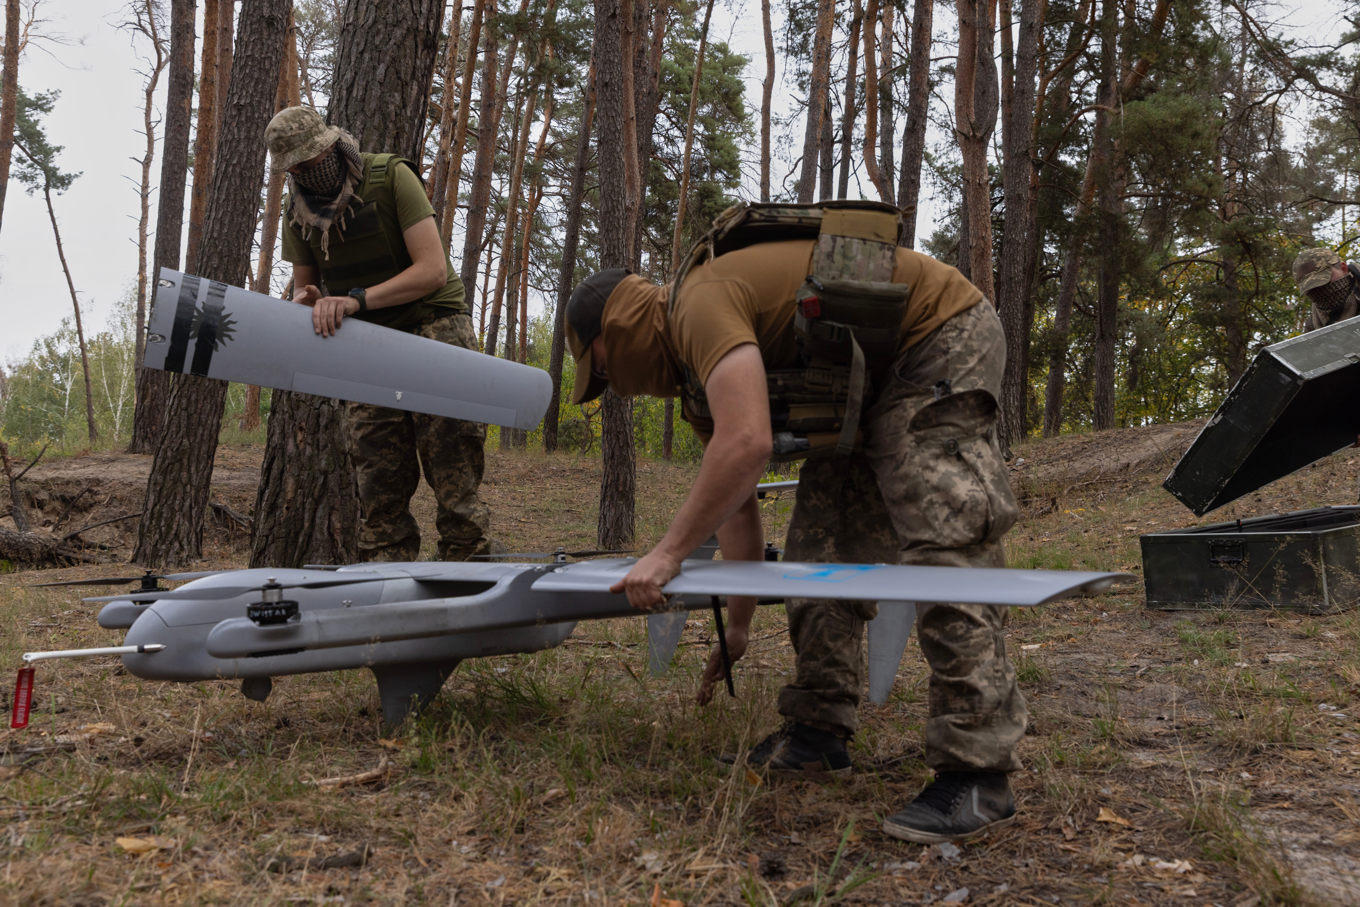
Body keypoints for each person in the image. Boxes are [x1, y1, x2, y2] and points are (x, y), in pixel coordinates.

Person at [565, 232, 1024, 844]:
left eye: (602, 370)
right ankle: (817, 730)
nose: (617, 387)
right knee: (821, 547)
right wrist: (737, 625)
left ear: (616, 328)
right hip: (868, 380)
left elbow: (747, 442)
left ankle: (979, 773)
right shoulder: (696, 381)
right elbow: (736, 503)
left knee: (945, 532)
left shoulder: (696, 305)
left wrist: (669, 552)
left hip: (936, 334)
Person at [264, 106, 492, 562]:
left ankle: (469, 559)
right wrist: (308, 301)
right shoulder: (300, 213)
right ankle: (386, 568)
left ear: (332, 147)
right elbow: (306, 289)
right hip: (367, 340)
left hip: (433, 324)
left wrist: (354, 300)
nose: (306, 175)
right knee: (377, 471)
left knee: (452, 460)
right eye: (295, 169)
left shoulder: (390, 178)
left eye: (312, 162)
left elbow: (432, 270)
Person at [1292, 247, 1360, 331]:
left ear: (1343, 268)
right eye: (1311, 288)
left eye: (1323, 282)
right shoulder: (1313, 324)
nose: (1318, 290)